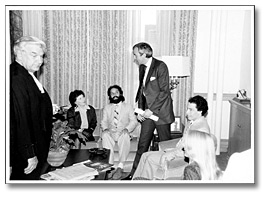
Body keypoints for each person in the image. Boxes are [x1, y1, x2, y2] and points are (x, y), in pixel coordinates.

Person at [131, 95, 210, 180]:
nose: (187, 113)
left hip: (182, 157)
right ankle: (135, 181)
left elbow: (192, 154)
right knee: (144, 155)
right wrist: (171, 149)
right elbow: (183, 141)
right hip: (177, 150)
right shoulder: (192, 122)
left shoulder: (201, 129)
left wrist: (172, 153)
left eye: (190, 110)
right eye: (187, 109)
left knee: (150, 159)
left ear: (200, 111)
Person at [126, 42, 175, 179]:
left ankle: (166, 177)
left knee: (166, 147)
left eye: (135, 55)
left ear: (143, 54)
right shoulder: (142, 67)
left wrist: (151, 110)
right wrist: (140, 111)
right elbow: (143, 91)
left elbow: (164, 92)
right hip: (147, 114)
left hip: (161, 114)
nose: (134, 58)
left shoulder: (161, 66)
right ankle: (134, 175)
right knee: (142, 145)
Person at [10, 36, 53, 180]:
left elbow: (32, 105)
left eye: (41, 56)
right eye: (34, 55)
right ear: (19, 54)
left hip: (37, 144)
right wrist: (29, 154)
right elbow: (19, 119)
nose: (40, 60)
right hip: (27, 153)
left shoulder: (27, 74)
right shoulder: (16, 77)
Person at [101, 85, 138, 180]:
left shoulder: (128, 106)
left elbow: (134, 121)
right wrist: (105, 128)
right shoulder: (107, 107)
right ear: (109, 96)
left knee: (125, 135)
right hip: (111, 133)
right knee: (104, 135)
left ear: (120, 93)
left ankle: (120, 167)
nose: (114, 95)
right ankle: (110, 167)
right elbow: (104, 121)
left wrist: (127, 129)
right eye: (112, 93)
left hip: (123, 132)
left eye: (116, 92)